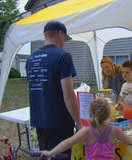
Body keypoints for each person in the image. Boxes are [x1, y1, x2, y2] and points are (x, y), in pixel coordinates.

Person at [25, 20, 82, 157]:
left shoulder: (30, 59)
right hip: (59, 121)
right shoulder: (63, 56)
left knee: (45, 154)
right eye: (64, 39)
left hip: (39, 119)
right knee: (60, 155)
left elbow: (35, 88)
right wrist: (78, 122)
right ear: (60, 34)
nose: (64, 43)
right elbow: (68, 93)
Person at [40, 98, 132, 160]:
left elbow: (68, 142)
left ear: (90, 114)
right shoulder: (115, 130)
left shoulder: (86, 131)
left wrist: (50, 153)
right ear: (108, 114)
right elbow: (129, 141)